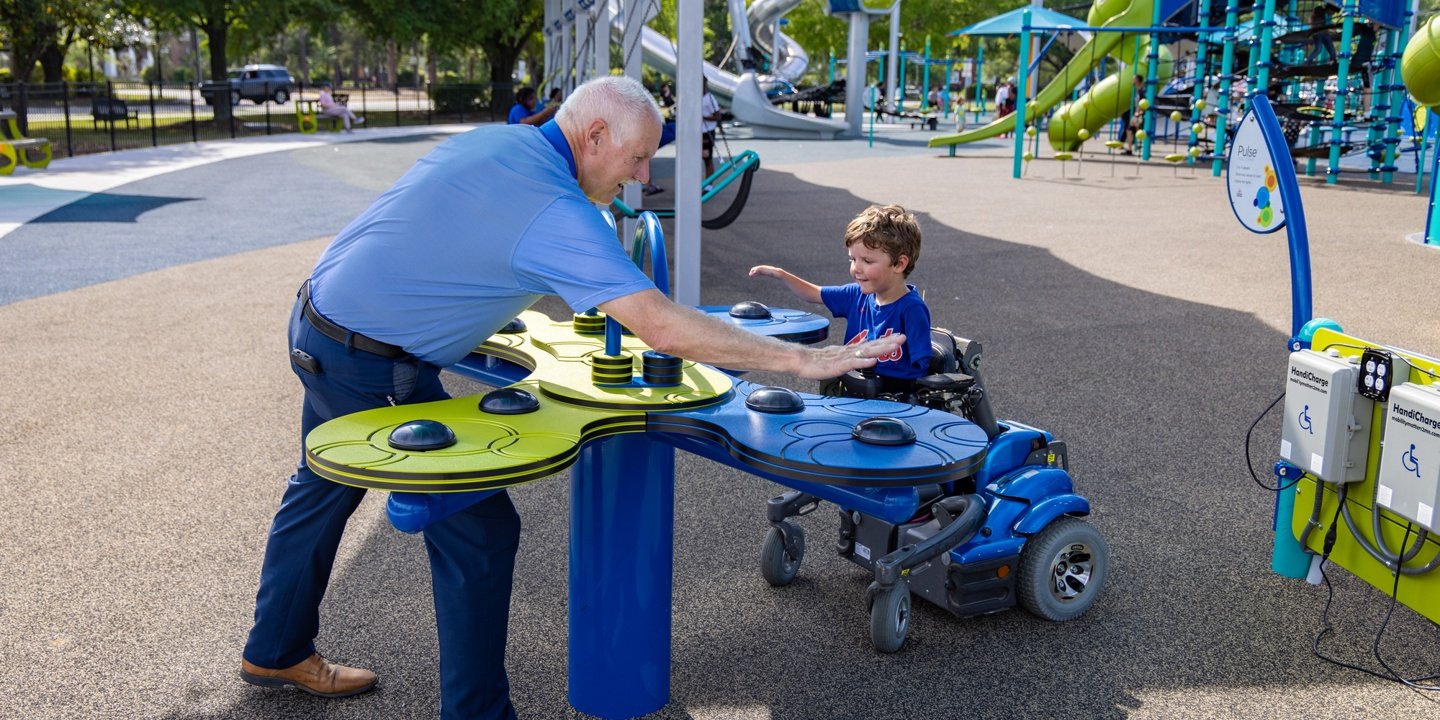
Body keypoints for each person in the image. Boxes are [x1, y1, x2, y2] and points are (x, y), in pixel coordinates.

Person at [239, 75, 904, 720]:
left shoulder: (503, 144)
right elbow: (661, 324)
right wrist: (800, 358)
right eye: (638, 157)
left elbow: (435, 229)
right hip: (371, 358)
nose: (644, 176)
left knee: (321, 484)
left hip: (320, 321)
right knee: (477, 527)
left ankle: (275, 650)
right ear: (592, 136)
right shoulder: (555, 206)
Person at [748, 203, 932, 395]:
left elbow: (919, 372)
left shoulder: (912, 308)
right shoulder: (856, 295)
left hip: (891, 398)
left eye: (867, 261)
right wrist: (781, 274)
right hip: (854, 385)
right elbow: (813, 293)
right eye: (852, 259)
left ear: (899, 264)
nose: (856, 268)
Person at [700, 77, 722, 180]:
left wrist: (703, 117)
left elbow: (718, 116)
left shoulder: (709, 98)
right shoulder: (695, 97)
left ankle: (708, 185)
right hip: (697, 133)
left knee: (707, 159)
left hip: (707, 133)